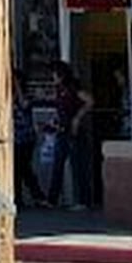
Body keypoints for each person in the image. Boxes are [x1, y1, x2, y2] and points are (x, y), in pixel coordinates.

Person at [45, 59, 94, 210]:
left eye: (54, 73)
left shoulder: (73, 87)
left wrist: (77, 118)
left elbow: (90, 101)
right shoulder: (59, 89)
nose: (52, 77)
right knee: (58, 165)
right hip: (62, 129)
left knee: (78, 165)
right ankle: (52, 200)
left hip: (74, 131)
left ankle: (84, 201)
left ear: (61, 74)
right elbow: (60, 109)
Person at [11, 70, 47, 209]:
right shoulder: (8, 96)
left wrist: (18, 87)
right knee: (19, 169)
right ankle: (24, 197)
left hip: (26, 137)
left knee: (23, 167)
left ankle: (35, 196)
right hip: (14, 137)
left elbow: (24, 105)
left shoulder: (26, 95)